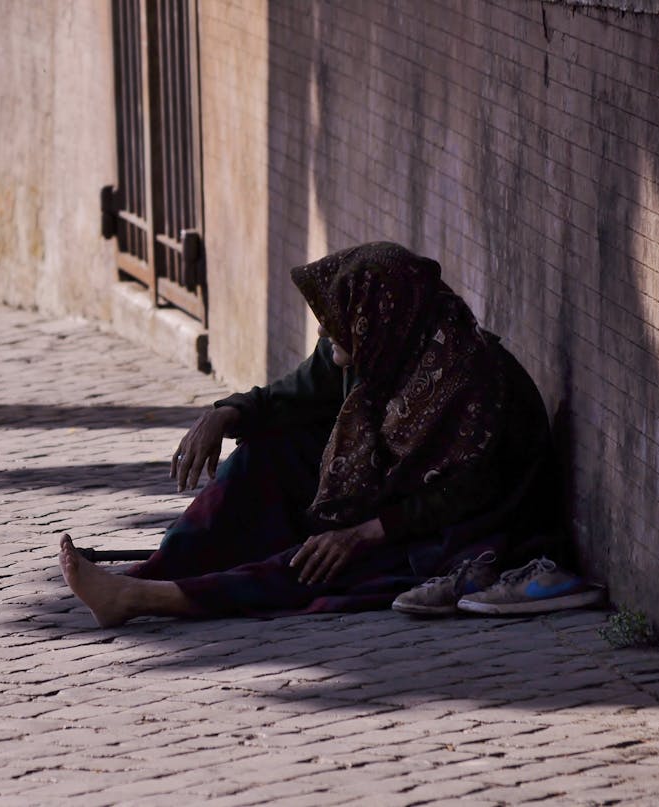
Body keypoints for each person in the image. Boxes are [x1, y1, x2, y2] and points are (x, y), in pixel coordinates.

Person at [59, 242, 567, 627]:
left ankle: (147, 599)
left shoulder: (470, 379)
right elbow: (290, 396)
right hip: (395, 495)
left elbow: (465, 494)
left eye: (335, 321)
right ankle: (155, 571)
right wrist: (225, 414)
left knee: (325, 561)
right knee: (269, 453)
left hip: (465, 527)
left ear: (376, 316)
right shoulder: (380, 343)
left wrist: (363, 532)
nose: (324, 333)